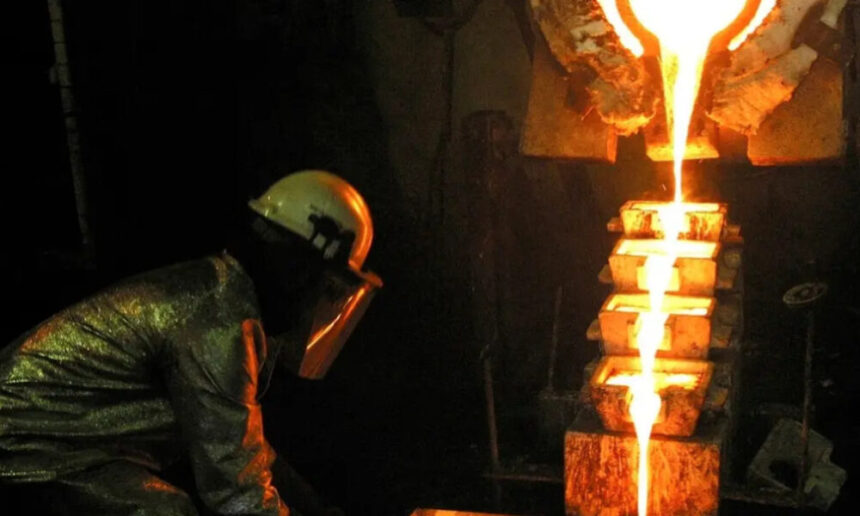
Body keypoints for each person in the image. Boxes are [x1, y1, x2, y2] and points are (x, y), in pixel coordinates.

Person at [0, 170, 382, 515]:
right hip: (22, 443)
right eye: (326, 287)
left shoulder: (223, 294)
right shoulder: (217, 324)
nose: (320, 302)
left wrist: (317, 510)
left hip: (55, 441)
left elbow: (244, 447)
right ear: (299, 271)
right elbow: (239, 496)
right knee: (162, 511)